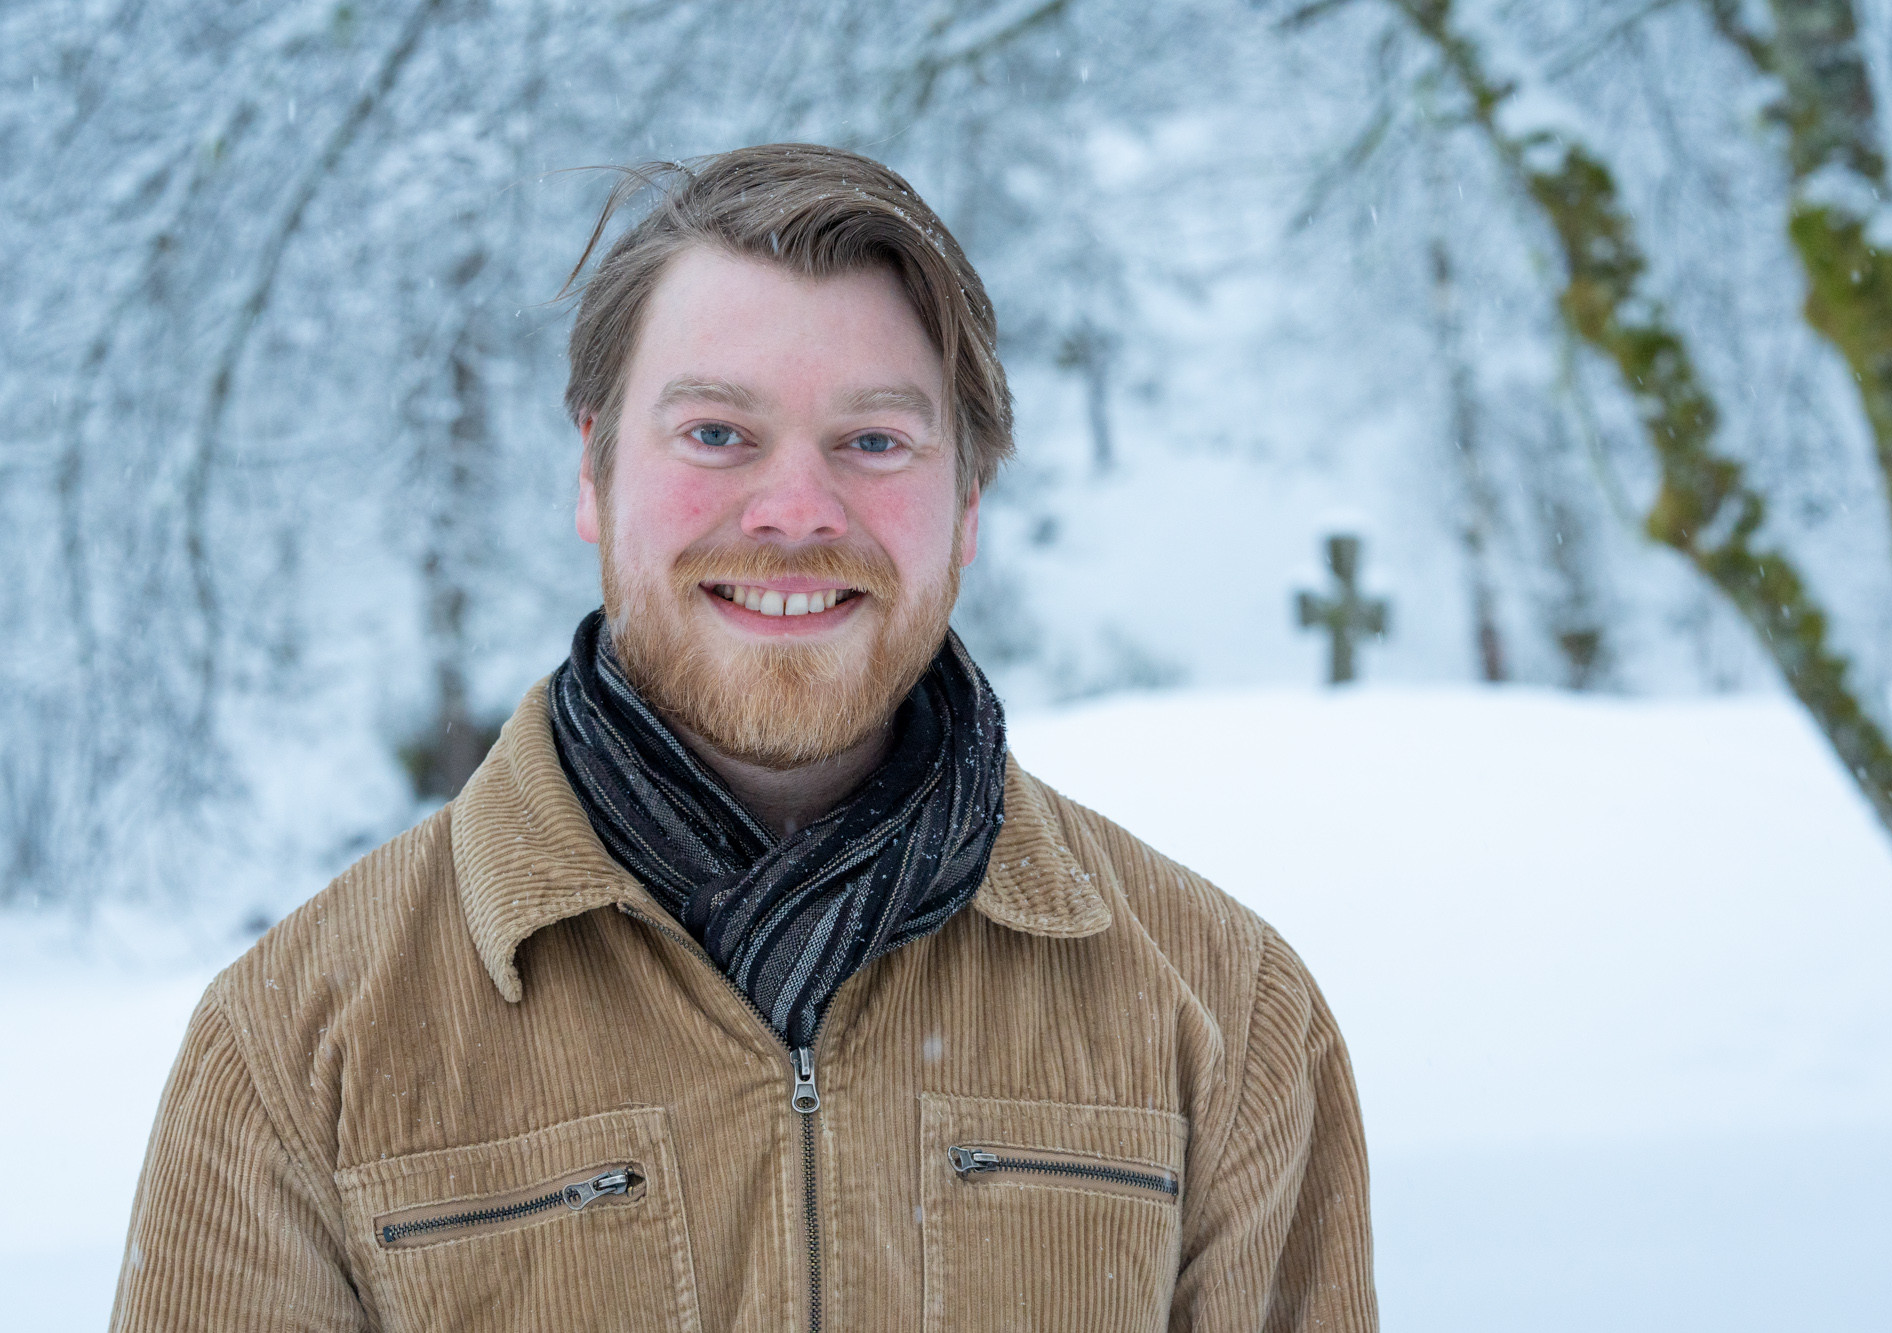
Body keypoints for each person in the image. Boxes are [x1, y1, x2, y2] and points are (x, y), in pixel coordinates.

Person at [111, 143, 1375, 1331]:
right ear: (595, 470)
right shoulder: (300, 1040)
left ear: (968, 503)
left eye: (872, 441)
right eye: (716, 433)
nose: (793, 511)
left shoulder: (1223, 1012)